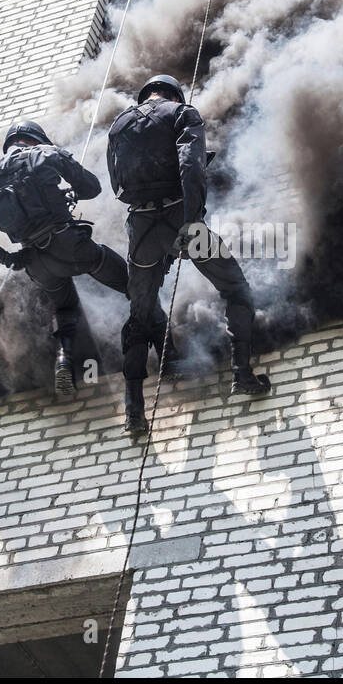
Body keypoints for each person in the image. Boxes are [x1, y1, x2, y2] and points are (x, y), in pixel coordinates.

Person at [107, 74, 270, 434]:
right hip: (181, 218)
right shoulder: (182, 113)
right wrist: (190, 220)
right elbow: (191, 167)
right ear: (172, 93)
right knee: (235, 287)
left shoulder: (119, 125)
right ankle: (241, 373)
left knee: (139, 314)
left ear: (144, 96)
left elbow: (116, 182)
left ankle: (134, 412)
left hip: (141, 231)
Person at [0, 121, 128, 396]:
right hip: (70, 244)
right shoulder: (46, 153)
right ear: (35, 140)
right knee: (131, 284)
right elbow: (92, 188)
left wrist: (7, 257)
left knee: (64, 308)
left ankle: (64, 361)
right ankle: (164, 345)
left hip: (35, 260)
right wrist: (66, 185)